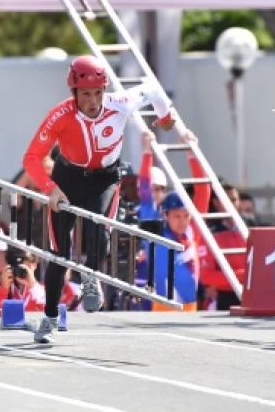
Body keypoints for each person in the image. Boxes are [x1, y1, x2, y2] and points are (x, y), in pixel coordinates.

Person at [20, 55, 193, 344]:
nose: (92, 100)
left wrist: (165, 117)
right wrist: (50, 187)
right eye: (85, 94)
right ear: (73, 92)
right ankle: (50, 318)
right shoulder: (60, 115)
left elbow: (151, 89)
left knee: (98, 232)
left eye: (98, 93)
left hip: (105, 178)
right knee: (59, 254)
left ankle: (91, 277)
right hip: (67, 179)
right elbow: (32, 157)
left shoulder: (120, 103)